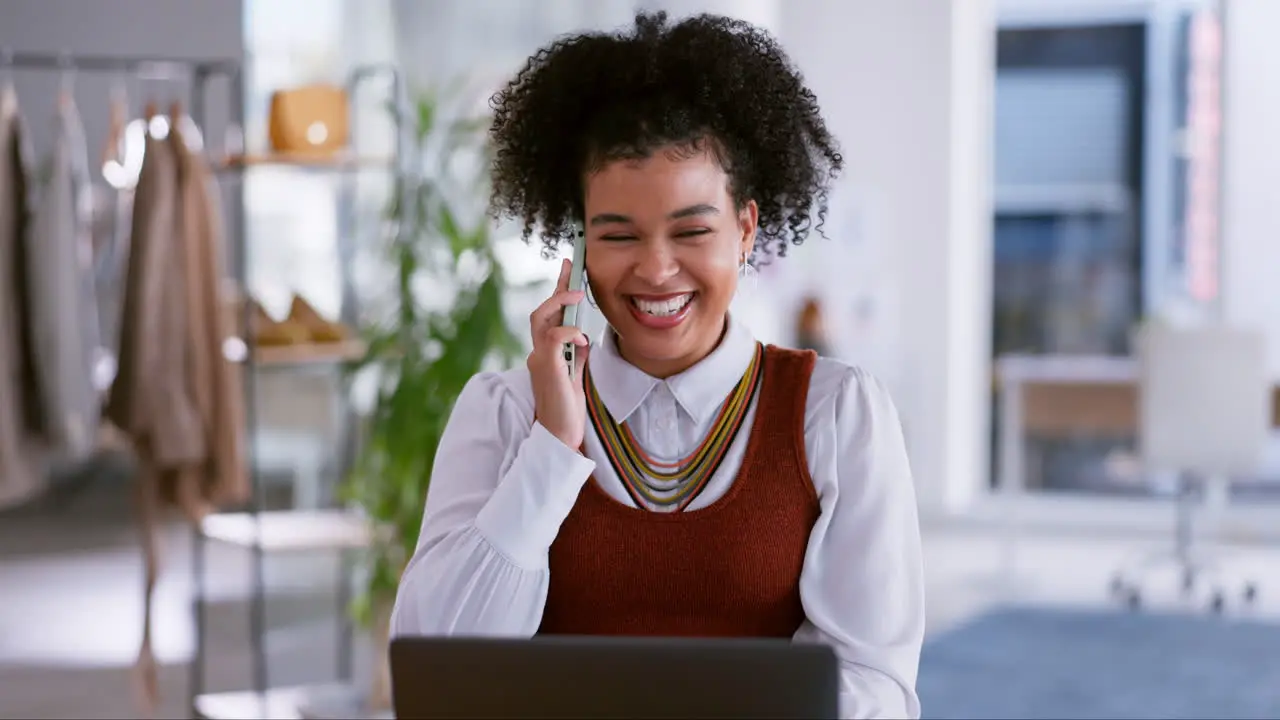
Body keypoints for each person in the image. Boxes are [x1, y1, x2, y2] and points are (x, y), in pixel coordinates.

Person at [391, 11, 925, 719]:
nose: (656, 269)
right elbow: (443, 670)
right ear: (578, 245)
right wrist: (551, 449)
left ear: (745, 230)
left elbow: (875, 684)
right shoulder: (506, 412)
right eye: (618, 235)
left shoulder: (837, 412)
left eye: (691, 230)